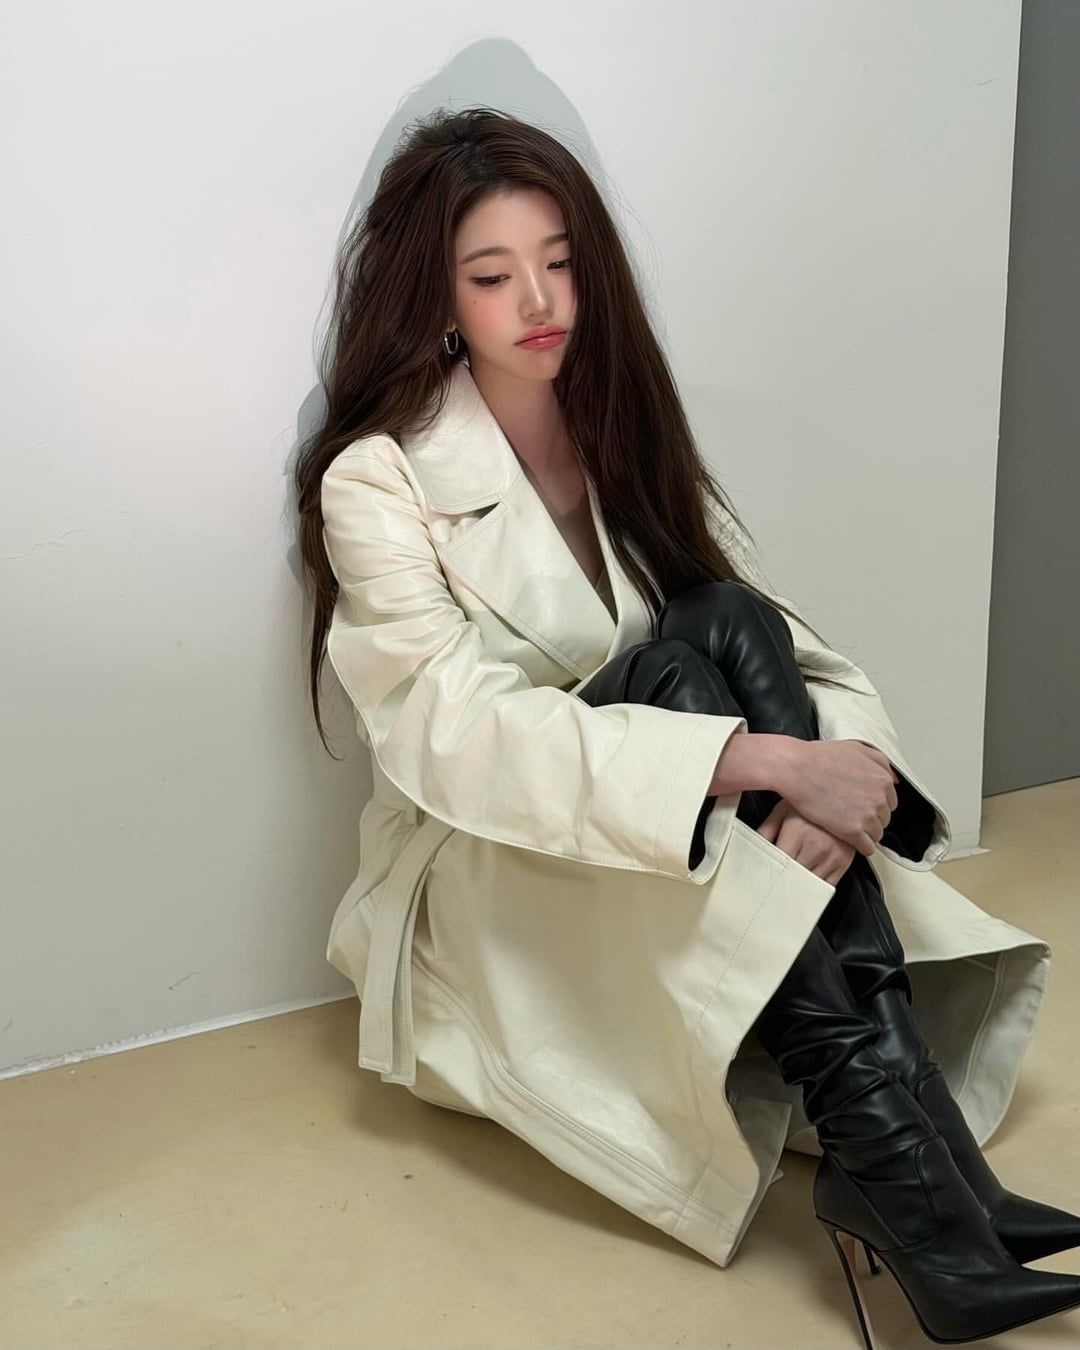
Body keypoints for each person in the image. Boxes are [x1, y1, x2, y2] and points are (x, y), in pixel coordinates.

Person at [293, 106, 1080, 1347]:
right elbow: (452, 733)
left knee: (717, 616)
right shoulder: (378, 477)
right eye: (493, 276)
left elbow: (775, 634)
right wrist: (758, 762)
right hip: (488, 852)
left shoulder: (618, 419)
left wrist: (846, 768)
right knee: (671, 674)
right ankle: (912, 1169)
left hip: (666, 816)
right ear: (437, 298)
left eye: (560, 262)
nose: (539, 302)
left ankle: (908, 1160)